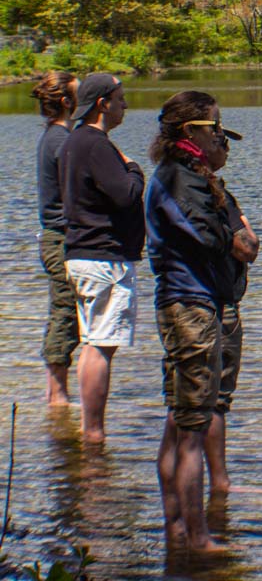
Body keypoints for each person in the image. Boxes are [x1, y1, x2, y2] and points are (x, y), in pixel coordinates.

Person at [146, 92, 258, 551]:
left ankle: (183, 530)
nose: (220, 137)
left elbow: (244, 239)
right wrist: (234, 235)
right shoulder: (176, 178)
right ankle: (193, 536)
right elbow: (216, 236)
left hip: (203, 303)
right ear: (190, 132)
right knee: (189, 426)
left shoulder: (196, 177)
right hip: (188, 305)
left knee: (184, 420)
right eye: (215, 128)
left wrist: (237, 236)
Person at [60, 72, 145, 443]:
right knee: (101, 344)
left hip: (84, 254)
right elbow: (126, 194)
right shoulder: (95, 145)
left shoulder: (74, 142)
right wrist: (135, 170)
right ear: (102, 103)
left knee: (95, 341)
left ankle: (88, 428)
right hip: (103, 258)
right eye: (121, 98)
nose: (125, 105)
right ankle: (93, 432)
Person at [204, 129, 258, 497]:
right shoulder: (207, 191)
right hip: (213, 307)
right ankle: (219, 487)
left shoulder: (184, 182)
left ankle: (211, 496)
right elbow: (248, 246)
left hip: (205, 302)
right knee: (212, 401)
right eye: (222, 141)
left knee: (191, 403)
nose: (227, 150)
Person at [32, 70, 80, 405]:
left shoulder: (55, 136)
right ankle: (57, 395)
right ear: (67, 102)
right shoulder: (61, 141)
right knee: (65, 312)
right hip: (59, 239)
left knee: (64, 310)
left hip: (56, 237)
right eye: (80, 93)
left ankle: (56, 392)